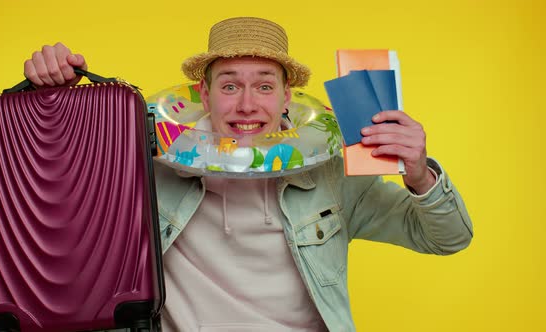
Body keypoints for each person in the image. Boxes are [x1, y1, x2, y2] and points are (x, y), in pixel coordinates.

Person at [23, 17, 472, 332]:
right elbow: (58, 211)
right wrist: (57, 98)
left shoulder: (333, 174)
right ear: (204, 92)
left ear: (286, 97)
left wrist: (419, 175)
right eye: (230, 85)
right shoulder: (146, 162)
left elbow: (446, 238)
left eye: (263, 85)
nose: (246, 106)